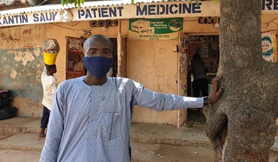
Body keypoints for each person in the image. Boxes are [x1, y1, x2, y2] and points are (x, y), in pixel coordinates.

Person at [40, 34, 223, 162]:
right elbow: (53, 139)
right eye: (93, 51)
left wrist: (205, 100)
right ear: (84, 56)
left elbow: (162, 101)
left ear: (112, 57)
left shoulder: (126, 88)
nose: (99, 56)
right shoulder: (66, 90)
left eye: (106, 52)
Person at [39, 64, 57, 138]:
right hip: (52, 103)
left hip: (45, 101)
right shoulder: (52, 79)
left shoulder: (43, 77)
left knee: (45, 117)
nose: (56, 69)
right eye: (55, 68)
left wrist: (47, 62)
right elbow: (55, 92)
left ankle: (41, 133)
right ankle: (51, 135)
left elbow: (44, 70)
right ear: (52, 70)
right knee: (53, 119)